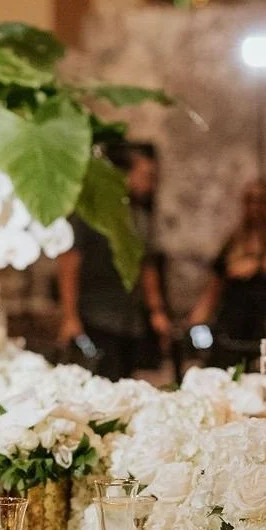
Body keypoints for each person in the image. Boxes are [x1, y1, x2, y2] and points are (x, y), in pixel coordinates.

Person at [56, 143, 171, 381]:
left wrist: (156, 310)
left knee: (126, 383)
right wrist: (69, 316)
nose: (151, 183)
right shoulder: (91, 212)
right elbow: (69, 262)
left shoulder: (139, 216)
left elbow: (146, 265)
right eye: (146, 176)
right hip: (95, 315)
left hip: (130, 319)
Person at [188, 180, 266, 351]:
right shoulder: (235, 240)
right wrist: (195, 322)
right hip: (233, 321)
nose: (255, 208)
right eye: (250, 201)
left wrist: (257, 265)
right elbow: (215, 285)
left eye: (260, 202)